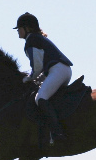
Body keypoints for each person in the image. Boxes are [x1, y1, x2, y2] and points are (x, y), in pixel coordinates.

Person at [15, 12, 73, 143]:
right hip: (60, 70)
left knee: (40, 98)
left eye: (19, 28)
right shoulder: (36, 37)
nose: (17, 31)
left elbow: (37, 66)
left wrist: (28, 78)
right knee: (44, 94)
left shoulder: (31, 40)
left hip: (57, 70)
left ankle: (58, 133)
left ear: (27, 28)